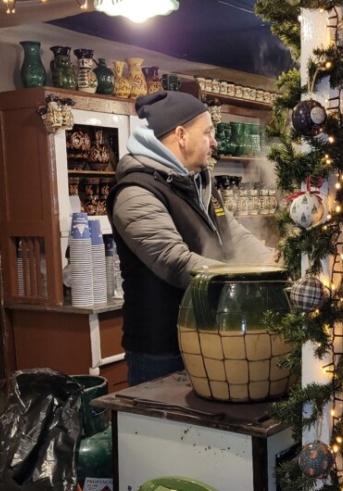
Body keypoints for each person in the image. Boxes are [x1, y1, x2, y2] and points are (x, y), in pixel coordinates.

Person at [108, 91, 273, 386]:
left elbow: (233, 234)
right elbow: (174, 260)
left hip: (206, 334)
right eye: (208, 132)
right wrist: (243, 279)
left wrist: (271, 262)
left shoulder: (197, 184)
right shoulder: (136, 192)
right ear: (181, 135)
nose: (214, 142)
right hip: (162, 350)